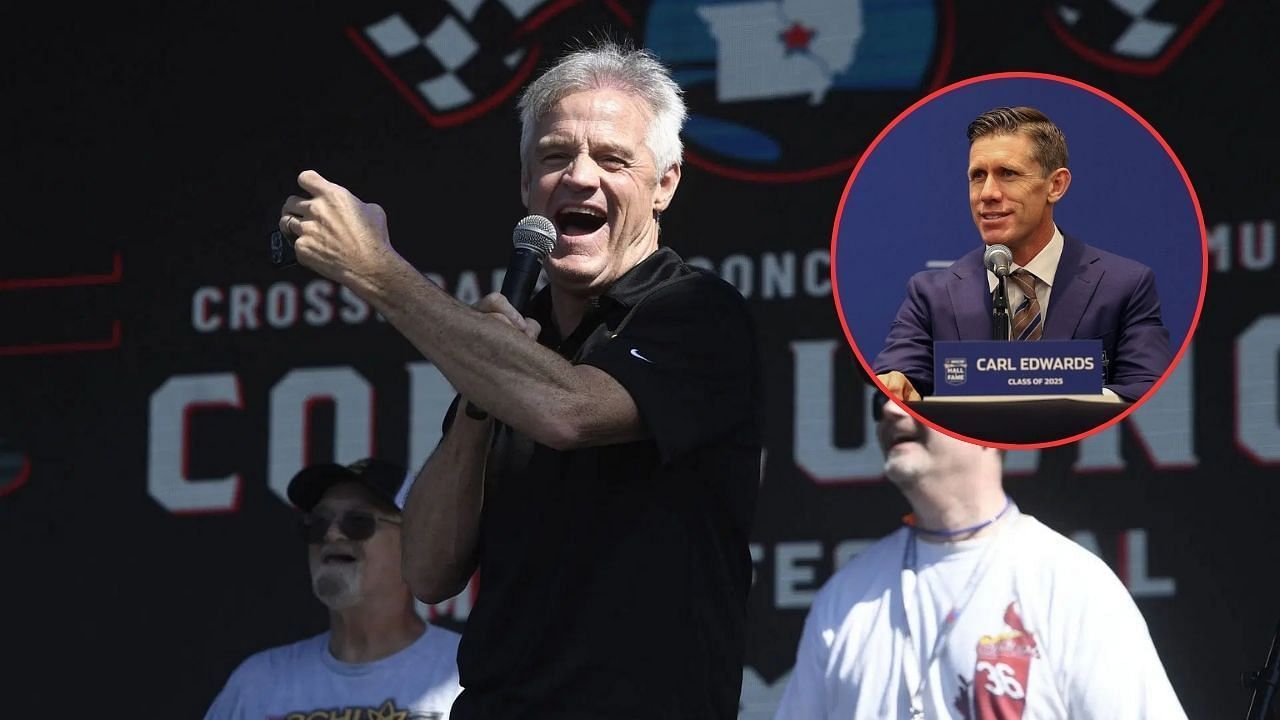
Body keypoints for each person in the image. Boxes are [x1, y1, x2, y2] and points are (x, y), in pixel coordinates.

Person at [277, 40, 762, 718]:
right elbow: (427, 570)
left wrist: (377, 274)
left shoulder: (695, 312)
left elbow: (569, 413)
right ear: (526, 183)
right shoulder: (509, 342)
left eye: (613, 159)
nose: (580, 178)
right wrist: (480, 399)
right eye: (557, 156)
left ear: (665, 185)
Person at [772, 394, 1187, 719]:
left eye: (915, 389)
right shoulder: (844, 600)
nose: (888, 408)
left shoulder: (1071, 585)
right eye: (878, 395)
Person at [873, 105, 1172, 403]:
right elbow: (898, 373)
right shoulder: (931, 295)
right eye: (978, 176)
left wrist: (1056, 400)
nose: (987, 193)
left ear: (1056, 185)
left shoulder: (1125, 286)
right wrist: (897, 382)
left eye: (1008, 174)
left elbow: (1147, 389)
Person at [204, 458, 464, 719]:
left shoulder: (466, 671)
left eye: (358, 522)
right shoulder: (257, 683)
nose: (331, 534)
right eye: (317, 523)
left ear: (415, 543)